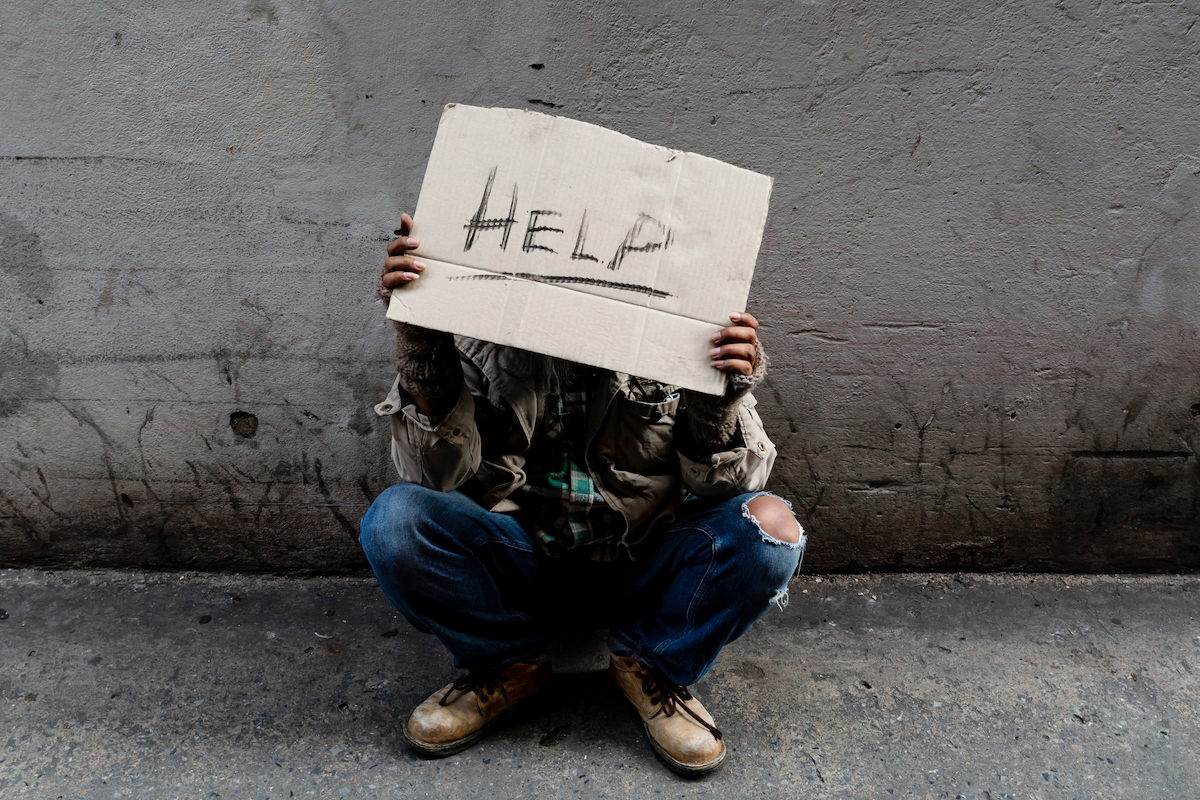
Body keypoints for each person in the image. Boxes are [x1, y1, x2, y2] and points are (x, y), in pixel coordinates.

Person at [359, 213, 806, 776]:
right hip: (520, 560)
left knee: (771, 528)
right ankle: (507, 665)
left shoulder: (677, 333)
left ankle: (652, 666)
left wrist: (720, 394)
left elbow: (732, 488)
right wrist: (422, 341)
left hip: (639, 562)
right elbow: (434, 479)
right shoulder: (476, 334)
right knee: (395, 522)